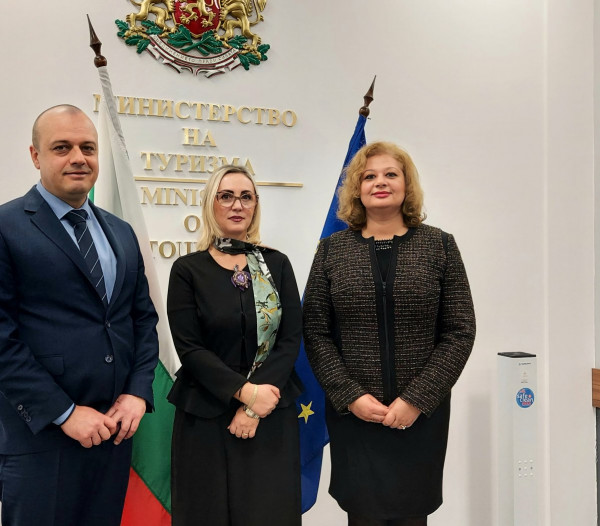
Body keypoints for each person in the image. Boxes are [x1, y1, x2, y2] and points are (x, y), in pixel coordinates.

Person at [0, 104, 159, 526]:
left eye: (88, 147)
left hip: (112, 433)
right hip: (41, 440)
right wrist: (64, 412)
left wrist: (138, 393)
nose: (78, 158)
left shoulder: (121, 231)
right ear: (36, 156)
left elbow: (142, 319)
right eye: (62, 147)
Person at [303, 141, 476, 526]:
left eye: (390, 174)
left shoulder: (440, 245)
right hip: (355, 417)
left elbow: (460, 331)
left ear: (406, 184)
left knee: (412, 514)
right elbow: (315, 331)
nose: (380, 182)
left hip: (419, 418)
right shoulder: (331, 251)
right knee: (362, 514)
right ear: (357, 189)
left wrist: (416, 399)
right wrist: (350, 396)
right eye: (369, 176)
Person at [166, 165, 303, 526]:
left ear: (256, 205)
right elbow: (190, 348)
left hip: (271, 412)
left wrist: (256, 405)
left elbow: (290, 339)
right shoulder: (187, 269)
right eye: (226, 196)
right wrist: (245, 393)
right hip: (205, 415)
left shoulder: (277, 264)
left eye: (246, 197)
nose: (237, 205)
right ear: (210, 204)